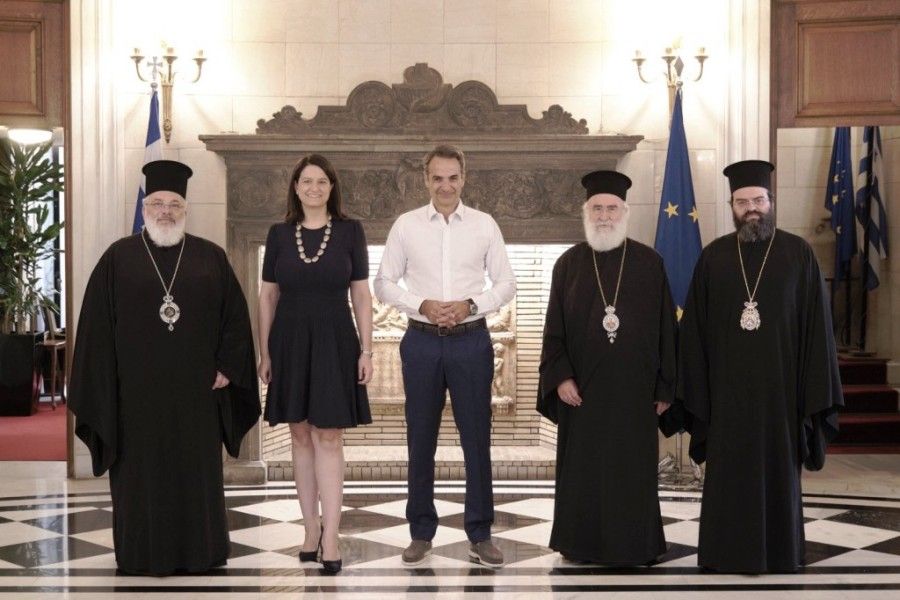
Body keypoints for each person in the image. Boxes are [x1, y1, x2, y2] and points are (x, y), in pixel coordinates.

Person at [69, 159, 261, 576]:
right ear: (144, 208)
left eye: (174, 205)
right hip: (134, 399)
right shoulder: (117, 258)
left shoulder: (210, 257)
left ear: (185, 210)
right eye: (157, 203)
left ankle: (202, 551)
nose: (166, 212)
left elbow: (236, 318)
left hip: (197, 395)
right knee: (140, 477)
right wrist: (104, 384)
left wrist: (228, 367)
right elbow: (95, 329)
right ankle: (141, 552)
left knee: (196, 475)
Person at [678, 159, 843, 573]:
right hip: (726, 396)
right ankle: (723, 554)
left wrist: (810, 392)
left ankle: (780, 553)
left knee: (778, 473)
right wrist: (698, 392)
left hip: (781, 395)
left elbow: (817, 330)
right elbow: (694, 332)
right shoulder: (714, 257)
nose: (751, 208)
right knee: (728, 474)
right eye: (742, 202)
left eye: (758, 200)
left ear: (771, 201)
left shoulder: (798, 254)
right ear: (732, 206)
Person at [374, 144, 516, 568]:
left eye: (453, 177)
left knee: (477, 439)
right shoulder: (406, 226)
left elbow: (506, 283)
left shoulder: (485, 225)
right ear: (426, 180)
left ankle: (480, 534)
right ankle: (421, 532)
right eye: (437, 178)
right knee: (420, 439)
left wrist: (471, 305)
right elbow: (383, 282)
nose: (446, 185)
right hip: (420, 342)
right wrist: (422, 304)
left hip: (472, 342)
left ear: (463, 178)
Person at [537, 170, 679, 565]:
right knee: (584, 472)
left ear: (624, 212)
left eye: (611, 208)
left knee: (631, 472)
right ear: (586, 213)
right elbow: (553, 328)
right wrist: (561, 377)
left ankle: (636, 545)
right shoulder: (568, 264)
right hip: (583, 394)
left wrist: (666, 386)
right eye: (597, 208)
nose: (604, 216)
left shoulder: (650, 263)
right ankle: (579, 545)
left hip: (636, 395)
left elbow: (668, 329)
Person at [257, 153, 373, 574]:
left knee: (329, 436)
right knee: (300, 435)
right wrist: (265, 352)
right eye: (306, 181)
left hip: (335, 341)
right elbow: (268, 296)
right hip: (289, 341)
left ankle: (331, 535)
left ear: (331, 188)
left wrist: (367, 349)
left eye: (322, 181)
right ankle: (310, 529)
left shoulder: (350, 231)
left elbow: (361, 294)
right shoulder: (278, 234)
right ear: (295, 187)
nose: (314, 188)